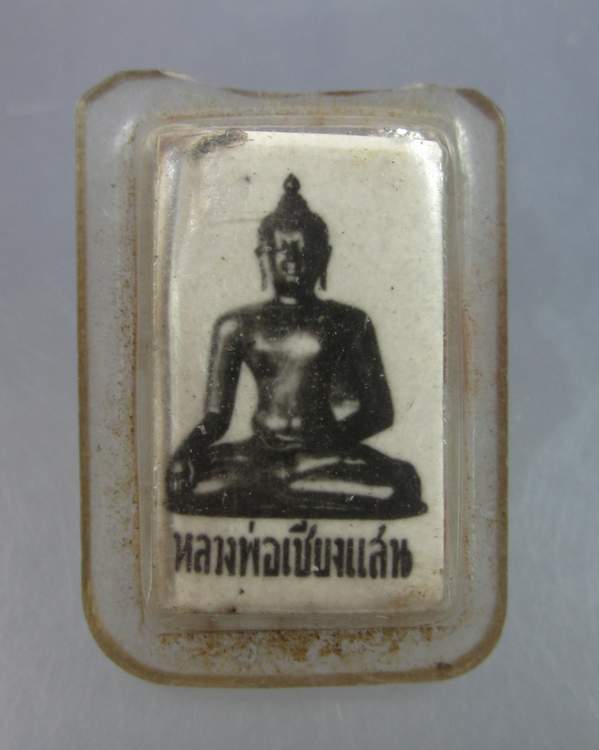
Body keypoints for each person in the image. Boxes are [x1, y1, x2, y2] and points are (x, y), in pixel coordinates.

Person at [166, 174, 426, 519]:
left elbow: (379, 412)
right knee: (185, 485)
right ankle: (284, 482)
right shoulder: (236, 325)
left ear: (324, 257)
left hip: (324, 453)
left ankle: (281, 484)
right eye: (282, 249)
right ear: (262, 256)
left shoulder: (350, 321)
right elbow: (216, 417)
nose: (292, 259)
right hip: (258, 453)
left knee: (398, 487)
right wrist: (185, 452)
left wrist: (325, 442)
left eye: (303, 249)